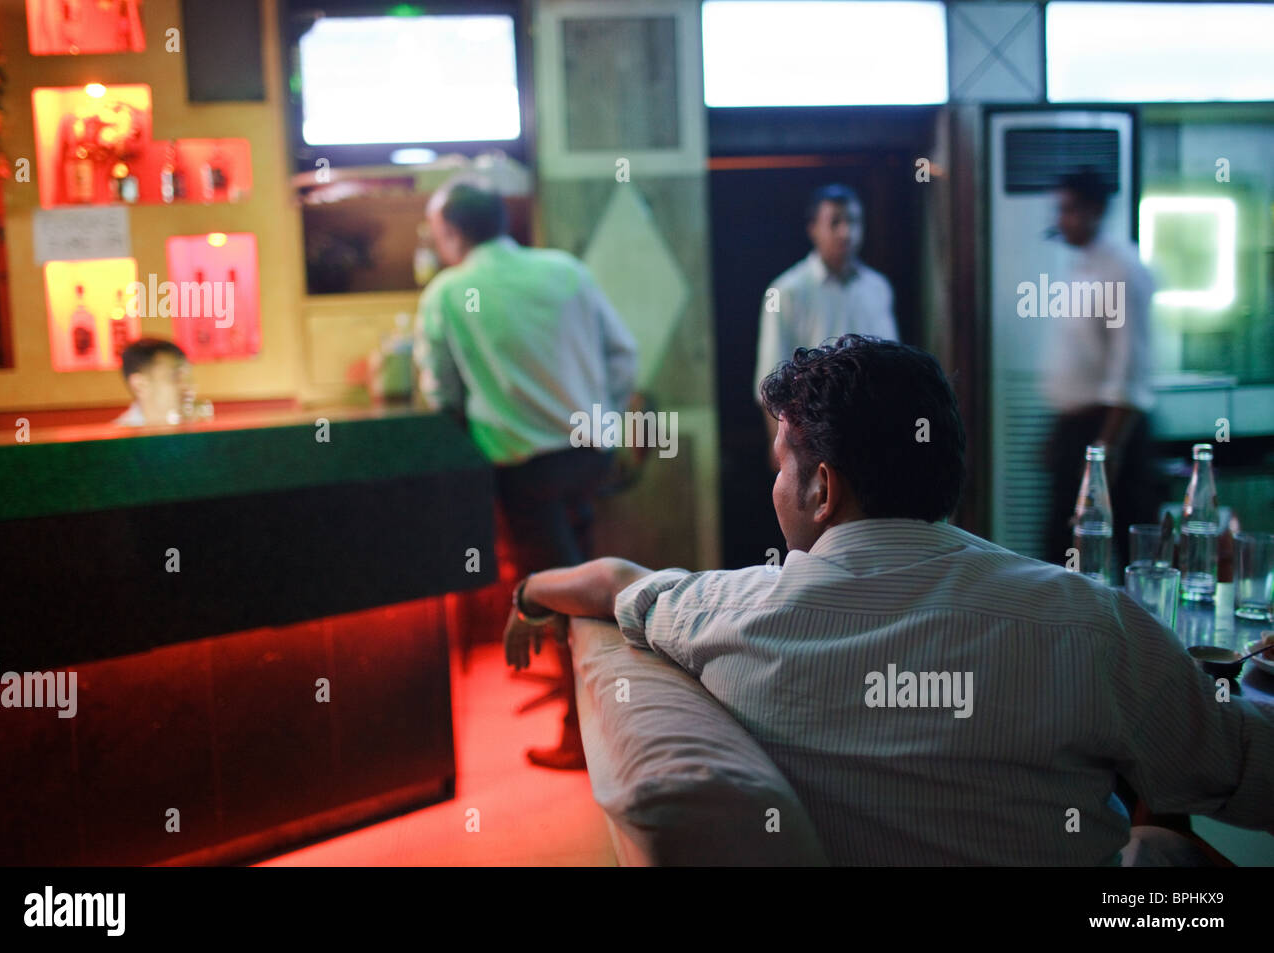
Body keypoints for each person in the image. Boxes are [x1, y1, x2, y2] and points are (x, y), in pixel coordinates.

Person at [504, 335, 1274, 865]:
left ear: (822, 487)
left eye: (781, 465)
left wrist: (528, 592)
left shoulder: (723, 614)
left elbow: (613, 581)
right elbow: (1249, 775)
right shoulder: (1087, 622)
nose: (777, 484)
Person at [414, 181, 638, 771]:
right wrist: (605, 414)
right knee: (590, 588)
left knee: (557, 597)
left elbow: (439, 392)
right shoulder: (564, 271)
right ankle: (608, 715)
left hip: (523, 468)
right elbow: (624, 353)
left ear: (451, 232)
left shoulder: (447, 292)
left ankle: (580, 737)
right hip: (589, 454)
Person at [1042, 169, 1158, 572]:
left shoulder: (1122, 269)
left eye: (1070, 210)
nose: (1061, 220)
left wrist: (1105, 453)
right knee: (1061, 546)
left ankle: (1137, 634)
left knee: (1123, 549)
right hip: (1074, 429)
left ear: (1096, 211)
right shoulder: (1081, 265)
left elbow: (1129, 370)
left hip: (1108, 430)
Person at [754, 184, 898, 441]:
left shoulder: (878, 288)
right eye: (835, 222)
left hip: (872, 429)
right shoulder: (786, 291)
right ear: (813, 229)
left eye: (853, 221)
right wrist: (779, 446)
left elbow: (893, 364)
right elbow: (770, 377)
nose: (846, 232)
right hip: (813, 432)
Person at [113, 338, 196, 427]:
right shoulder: (119, 438)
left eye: (187, 377)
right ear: (139, 385)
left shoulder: (194, 430)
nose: (186, 386)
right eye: (174, 376)